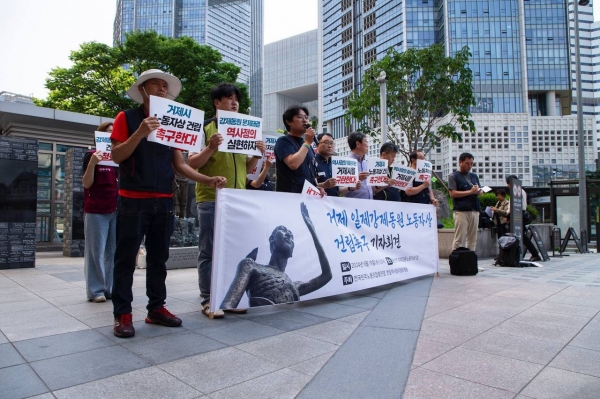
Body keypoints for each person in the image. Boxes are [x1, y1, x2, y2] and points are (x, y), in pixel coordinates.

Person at [110, 69, 226, 338]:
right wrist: (139, 133)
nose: (162, 89)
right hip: (132, 200)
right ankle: (123, 314)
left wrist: (207, 179)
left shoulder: (172, 123)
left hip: (163, 201)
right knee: (125, 259)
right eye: (156, 85)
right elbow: (116, 155)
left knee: (159, 259)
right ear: (142, 89)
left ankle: (156, 308)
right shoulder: (125, 118)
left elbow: (180, 165)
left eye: (165, 86)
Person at [188, 83, 266, 319]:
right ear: (217, 103)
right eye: (229, 98)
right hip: (212, 198)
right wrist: (211, 147)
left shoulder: (242, 130)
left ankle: (229, 298)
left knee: (236, 250)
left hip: (237, 199)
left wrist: (257, 155)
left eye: (236, 99)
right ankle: (209, 299)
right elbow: (192, 163)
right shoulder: (205, 129)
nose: (234, 103)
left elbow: (247, 168)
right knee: (209, 251)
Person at [220, 202, 332, 309]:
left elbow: (327, 275)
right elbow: (227, 306)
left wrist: (312, 231)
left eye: (292, 236)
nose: (288, 234)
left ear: (292, 251)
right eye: (283, 230)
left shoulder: (294, 285)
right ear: (272, 239)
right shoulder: (251, 266)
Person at [82, 122, 118, 303]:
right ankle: (96, 291)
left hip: (116, 210)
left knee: (112, 251)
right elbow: (86, 183)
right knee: (95, 251)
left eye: (114, 133)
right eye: (109, 132)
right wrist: (93, 163)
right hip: (96, 210)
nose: (112, 136)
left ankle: (109, 288)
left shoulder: (118, 157)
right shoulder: (91, 156)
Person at [274, 105, 325, 195]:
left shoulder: (307, 145)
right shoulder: (283, 141)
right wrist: (307, 142)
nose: (305, 120)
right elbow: (293, 164)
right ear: (289, 121)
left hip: (306, 198)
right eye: (300, 117)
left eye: (306, 117)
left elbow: (310, 174)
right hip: (290, 197)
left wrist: (316, 188)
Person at [495, 175, 541, 262]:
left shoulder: (515, 191)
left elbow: (512, 206)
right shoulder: (522, 190)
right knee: (521, 236)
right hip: (521, 214)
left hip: (516, 215)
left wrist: (508, 215)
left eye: (508, 183)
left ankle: (533, 254)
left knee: (518, 236)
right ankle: (528, 254)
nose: (508, 186)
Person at [448, 152, 483, 250]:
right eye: (467, 163)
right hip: (461, 211)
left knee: (472, 239)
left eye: (471, 163)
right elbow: (452, 193)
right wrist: (470, 192)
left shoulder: (474, 176)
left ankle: (470, 261)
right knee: (459, 238)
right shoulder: (453, 176)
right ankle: (455, 260)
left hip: (474, 209)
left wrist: (478, 191)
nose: (469, 166)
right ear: (460, 162)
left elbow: (480, 192)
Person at [345, 132, 372, 200]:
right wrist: (356, 178)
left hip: (370, 205)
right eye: (365, 142)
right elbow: (340, 187)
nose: (368, 145)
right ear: (358, 144)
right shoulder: (346, 163)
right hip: (354, 206)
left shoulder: (366, 163)